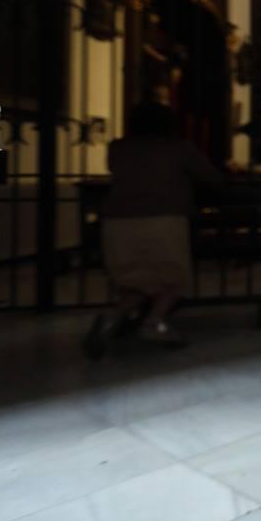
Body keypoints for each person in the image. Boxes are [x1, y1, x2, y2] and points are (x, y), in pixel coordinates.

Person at [83, 101, 225, 357]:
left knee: (134, 280)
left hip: (117, 221)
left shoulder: (118, 148)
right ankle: (154, 323)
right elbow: (211, 177)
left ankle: (110, 320)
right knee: (172, 277)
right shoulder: (179, 148)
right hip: (164, 218)